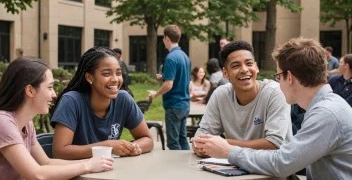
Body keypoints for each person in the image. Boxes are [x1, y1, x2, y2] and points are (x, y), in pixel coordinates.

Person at [195, 37, 352, 179]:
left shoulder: (327, 114)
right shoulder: (326, 107)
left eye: (278, 77)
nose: (277, 83)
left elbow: (282, 163)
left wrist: (227, 150)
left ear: (289, 77)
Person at [0, 57, 114, 180]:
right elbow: (36, 174)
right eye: (49, 87)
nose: (54, 94)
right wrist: (87, 165)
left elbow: (46, 163)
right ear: (30, 90)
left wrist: (96, 162)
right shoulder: (4, 122)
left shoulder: (26, 124)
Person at [192, 40, 292, 157]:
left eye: (249, 64)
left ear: (256, 67)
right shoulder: (221, 95)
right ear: (225, 73)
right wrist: (198, 145)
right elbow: (200, 137)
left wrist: (223, 145)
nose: (244, 69)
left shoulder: (274, 93)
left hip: (274, 171)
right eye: (235, 65)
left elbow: (275, 144)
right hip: (234, 168)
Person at [50, 46, 153, 160]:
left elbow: (147, 139)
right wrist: (107, 146)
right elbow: (60, 152)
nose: (115, 79)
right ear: (89, 77)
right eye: (107, 74)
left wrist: (134, 147)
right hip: (77, 174)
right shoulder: (72, 101)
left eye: (118, 73)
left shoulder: (123, 99)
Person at [148, 25, 191, 150]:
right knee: (183, 140)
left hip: (174, 105)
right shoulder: (184, 56)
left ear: (167, 38)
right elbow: (180, 78)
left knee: (173, 143)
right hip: (184, 104)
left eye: (163, 38)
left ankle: (177, 169)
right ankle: (187, 168)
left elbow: (169, 85)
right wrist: (164, 77)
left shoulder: (171, 57)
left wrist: (155, 94)